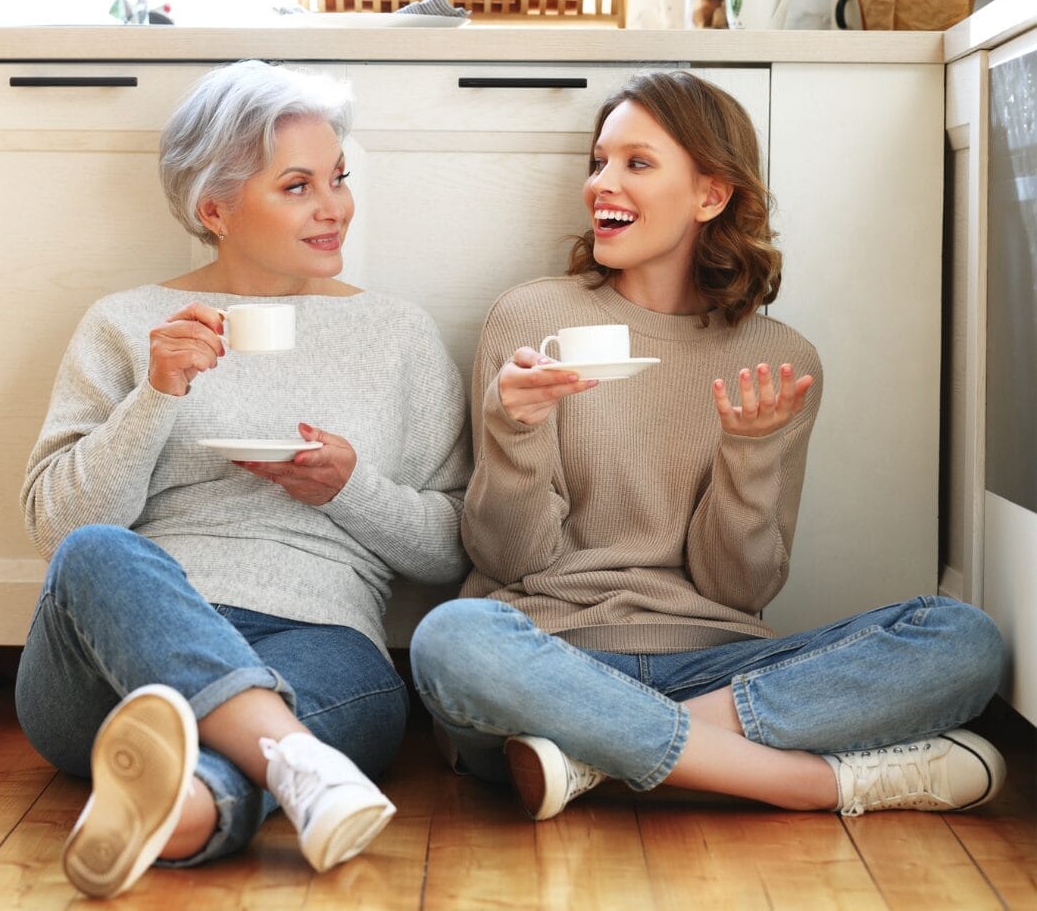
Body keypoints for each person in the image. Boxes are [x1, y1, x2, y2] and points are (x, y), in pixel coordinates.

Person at [409, 70, 1006, 823]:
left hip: (717, 665)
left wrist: (749, 455)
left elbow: (738, 590)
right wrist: (514, 429)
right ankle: (813, 784)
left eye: (637, 162)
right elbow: (513, 562)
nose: (602, 183)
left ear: (711, 195)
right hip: (556, 655)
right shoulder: (532, 318)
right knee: (452, 640)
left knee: (963, 639)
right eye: (598, 161)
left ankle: (594, 756)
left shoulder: (778, 360)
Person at [14, 60, 471, 898]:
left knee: (267, 730)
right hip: (120, 660)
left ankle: (186, 808)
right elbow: (60, 530)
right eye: (297, 185)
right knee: (96, 552)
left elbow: (452, 551)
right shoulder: (127, 323)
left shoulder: (394, 333)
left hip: (321, 636)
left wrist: (348, 486)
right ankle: (296, 762)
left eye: (337, 177)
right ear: (212, 207)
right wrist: (157, 395)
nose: (333, 206)